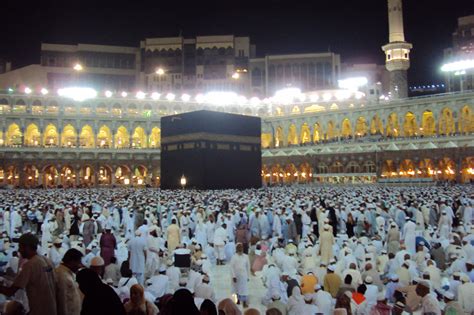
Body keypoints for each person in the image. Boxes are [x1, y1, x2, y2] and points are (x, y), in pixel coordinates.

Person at [0, 233, 57, 315]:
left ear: (27, 247)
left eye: (20, 247)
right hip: (52, 310)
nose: (19, 250)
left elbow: (10, 292)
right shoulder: (47, 261)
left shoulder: (30, 265)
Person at [55, 248, 83, 315]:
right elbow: (62, 302)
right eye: (78, 262)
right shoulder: (62, 276)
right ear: (71, 261)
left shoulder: (68, 273)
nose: (80, 265)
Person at [230, 243, 250, 308]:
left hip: (244, 275)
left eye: (241, 249)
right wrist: (233, 276)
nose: (240, 250)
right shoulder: (233, 257)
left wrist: (248, 276)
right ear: (237, 249)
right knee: (235, 289)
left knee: (244, 289)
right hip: (236, 276)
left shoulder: (246, 256)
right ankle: (235, 301)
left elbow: (248, 267)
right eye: (239, 249)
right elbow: (231, 267)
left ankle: (244, 302)